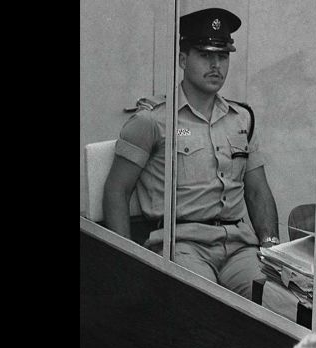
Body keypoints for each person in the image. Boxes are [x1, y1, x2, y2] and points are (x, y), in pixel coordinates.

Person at [100, 7, 297, 316]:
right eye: (205, 55)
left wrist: (271, 246)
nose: (216, 65)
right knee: (205, 312)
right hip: (181, 245)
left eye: (223, 56)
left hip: (239, 247)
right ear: (182, 60)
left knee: (284, 307)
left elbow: (258, 190)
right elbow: (116, 190)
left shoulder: (241, 119)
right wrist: (127, 264)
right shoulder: (153, 120)